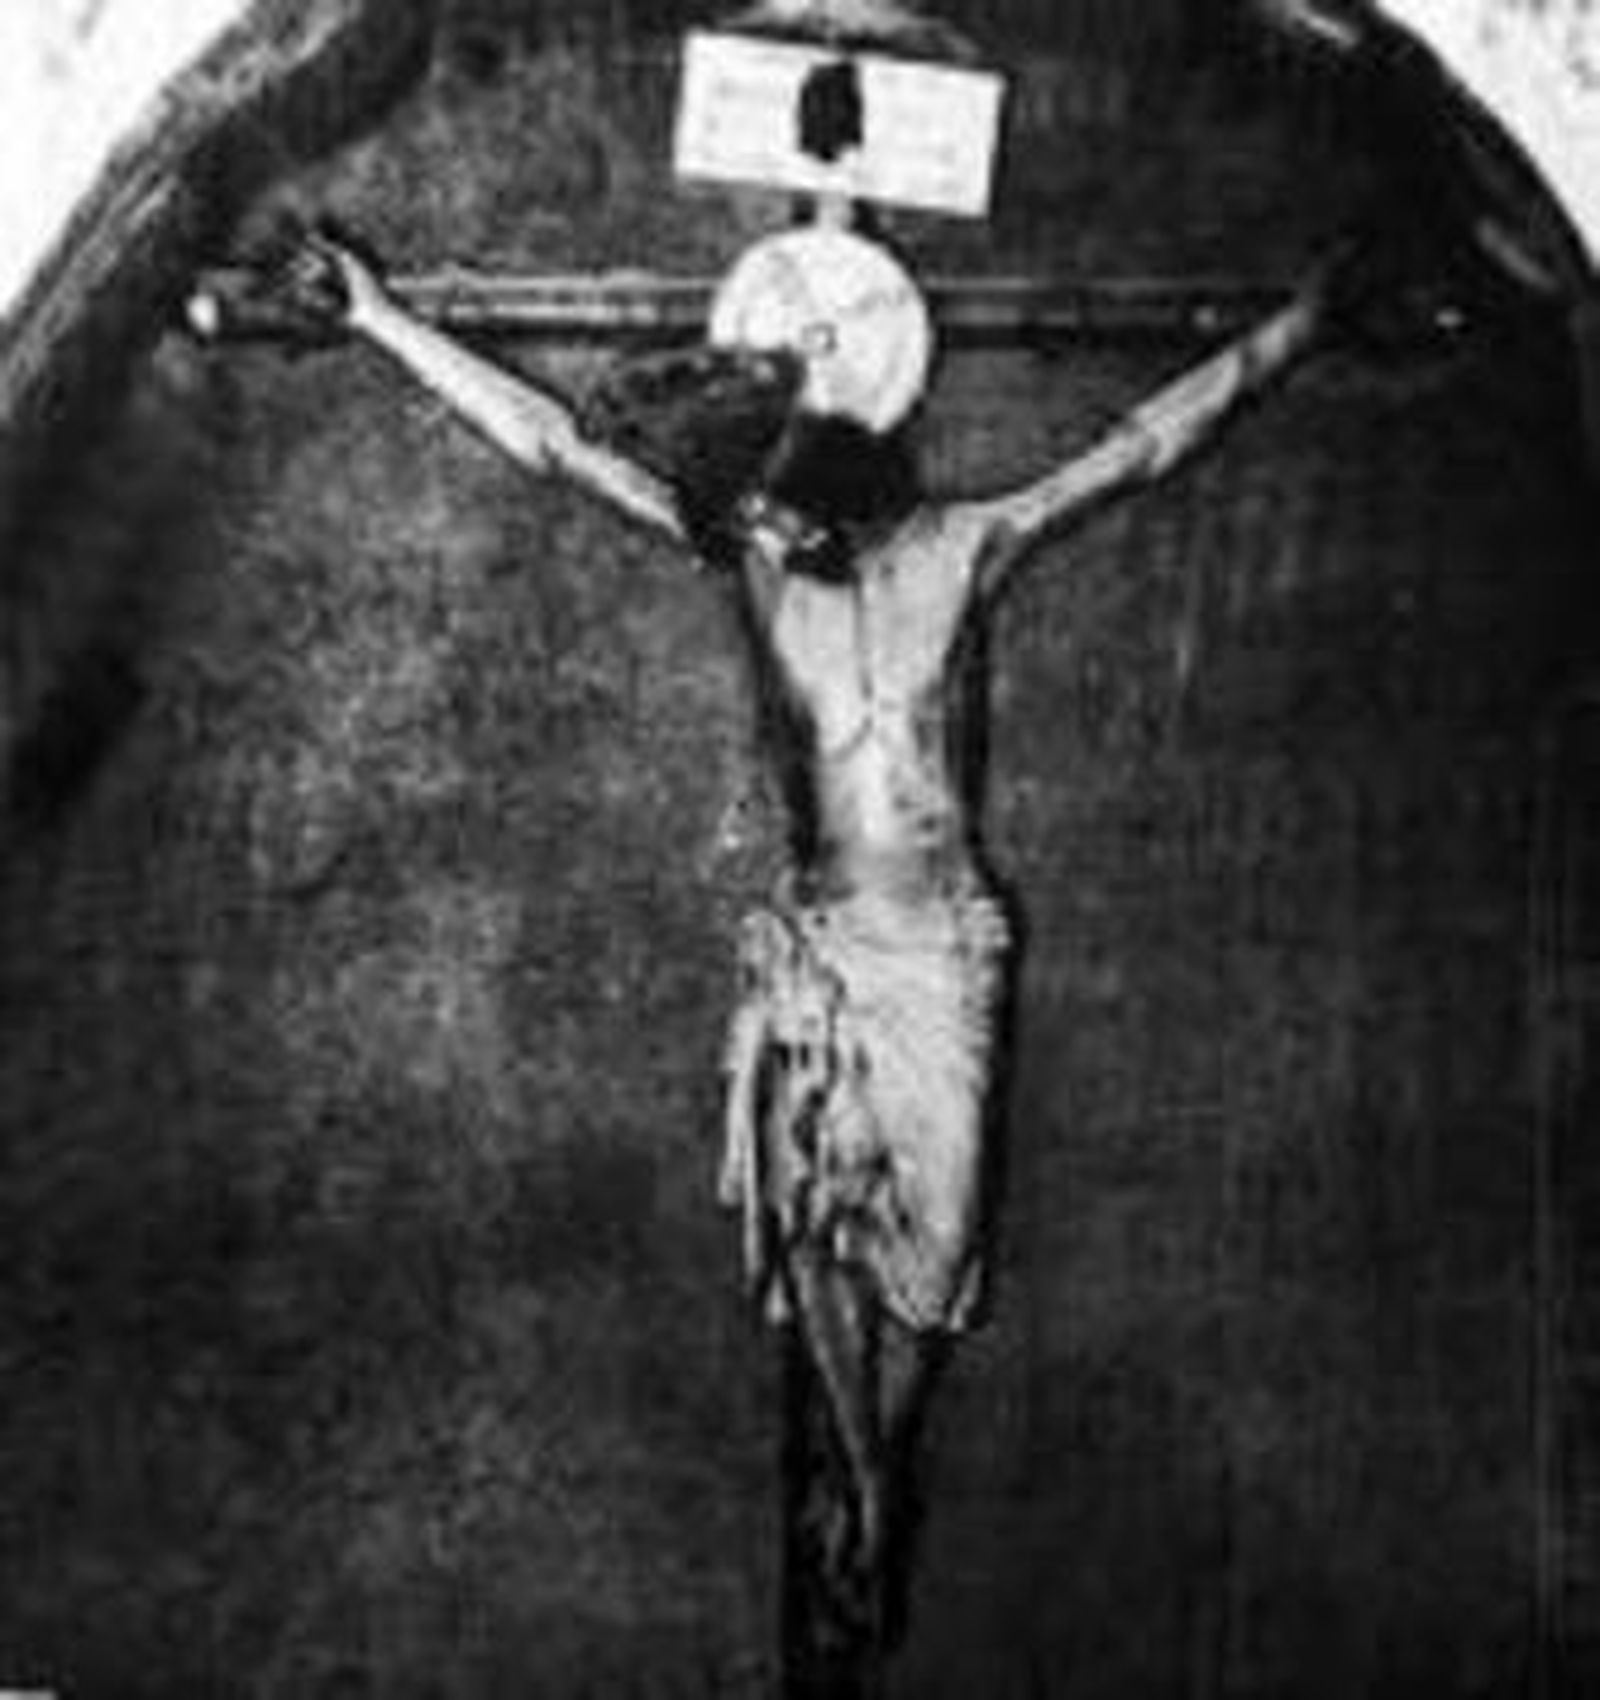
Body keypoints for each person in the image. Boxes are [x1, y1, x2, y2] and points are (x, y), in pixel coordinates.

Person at [293, 229, 1324, 1618]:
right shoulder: (758, 564)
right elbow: (553, 444)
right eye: (761, 492)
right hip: (826, 939)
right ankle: (869, 1484)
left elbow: (1143, 446)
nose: (772, 514)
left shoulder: (964, 546)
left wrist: (1301, 323)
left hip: (942, 947)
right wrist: (376, 318)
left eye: (789, 483)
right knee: (817, 1218)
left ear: (859, 458)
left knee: (936, 1250)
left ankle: (872, 1469)